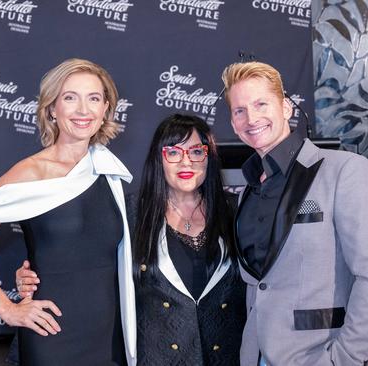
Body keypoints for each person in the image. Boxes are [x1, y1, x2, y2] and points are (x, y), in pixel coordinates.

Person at [0, 58, 136, 366]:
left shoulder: (107, 171)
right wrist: (7, 308)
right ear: (51, 109)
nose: (83, 110)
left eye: (94, 98)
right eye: (70, 98)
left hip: (112, 336)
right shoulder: (30, 172)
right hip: (53, 334)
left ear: (105, 111)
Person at [16, 114, 246, 365]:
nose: (186, 162)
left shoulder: (237, 212)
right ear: (159, 159)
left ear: (208, 159)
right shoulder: (128, 215)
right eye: (173, 152)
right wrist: (37, 277)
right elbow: (84, 262)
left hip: (228, 356)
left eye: (196, 152)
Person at [221, 61, 368, 365]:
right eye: (240, 110)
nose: (251, 118)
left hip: (321, 354)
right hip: (255, 354)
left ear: (286, 108)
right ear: (233, 122)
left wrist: (346, 358)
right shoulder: (248, 189)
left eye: (261, 103)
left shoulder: (344, 170)